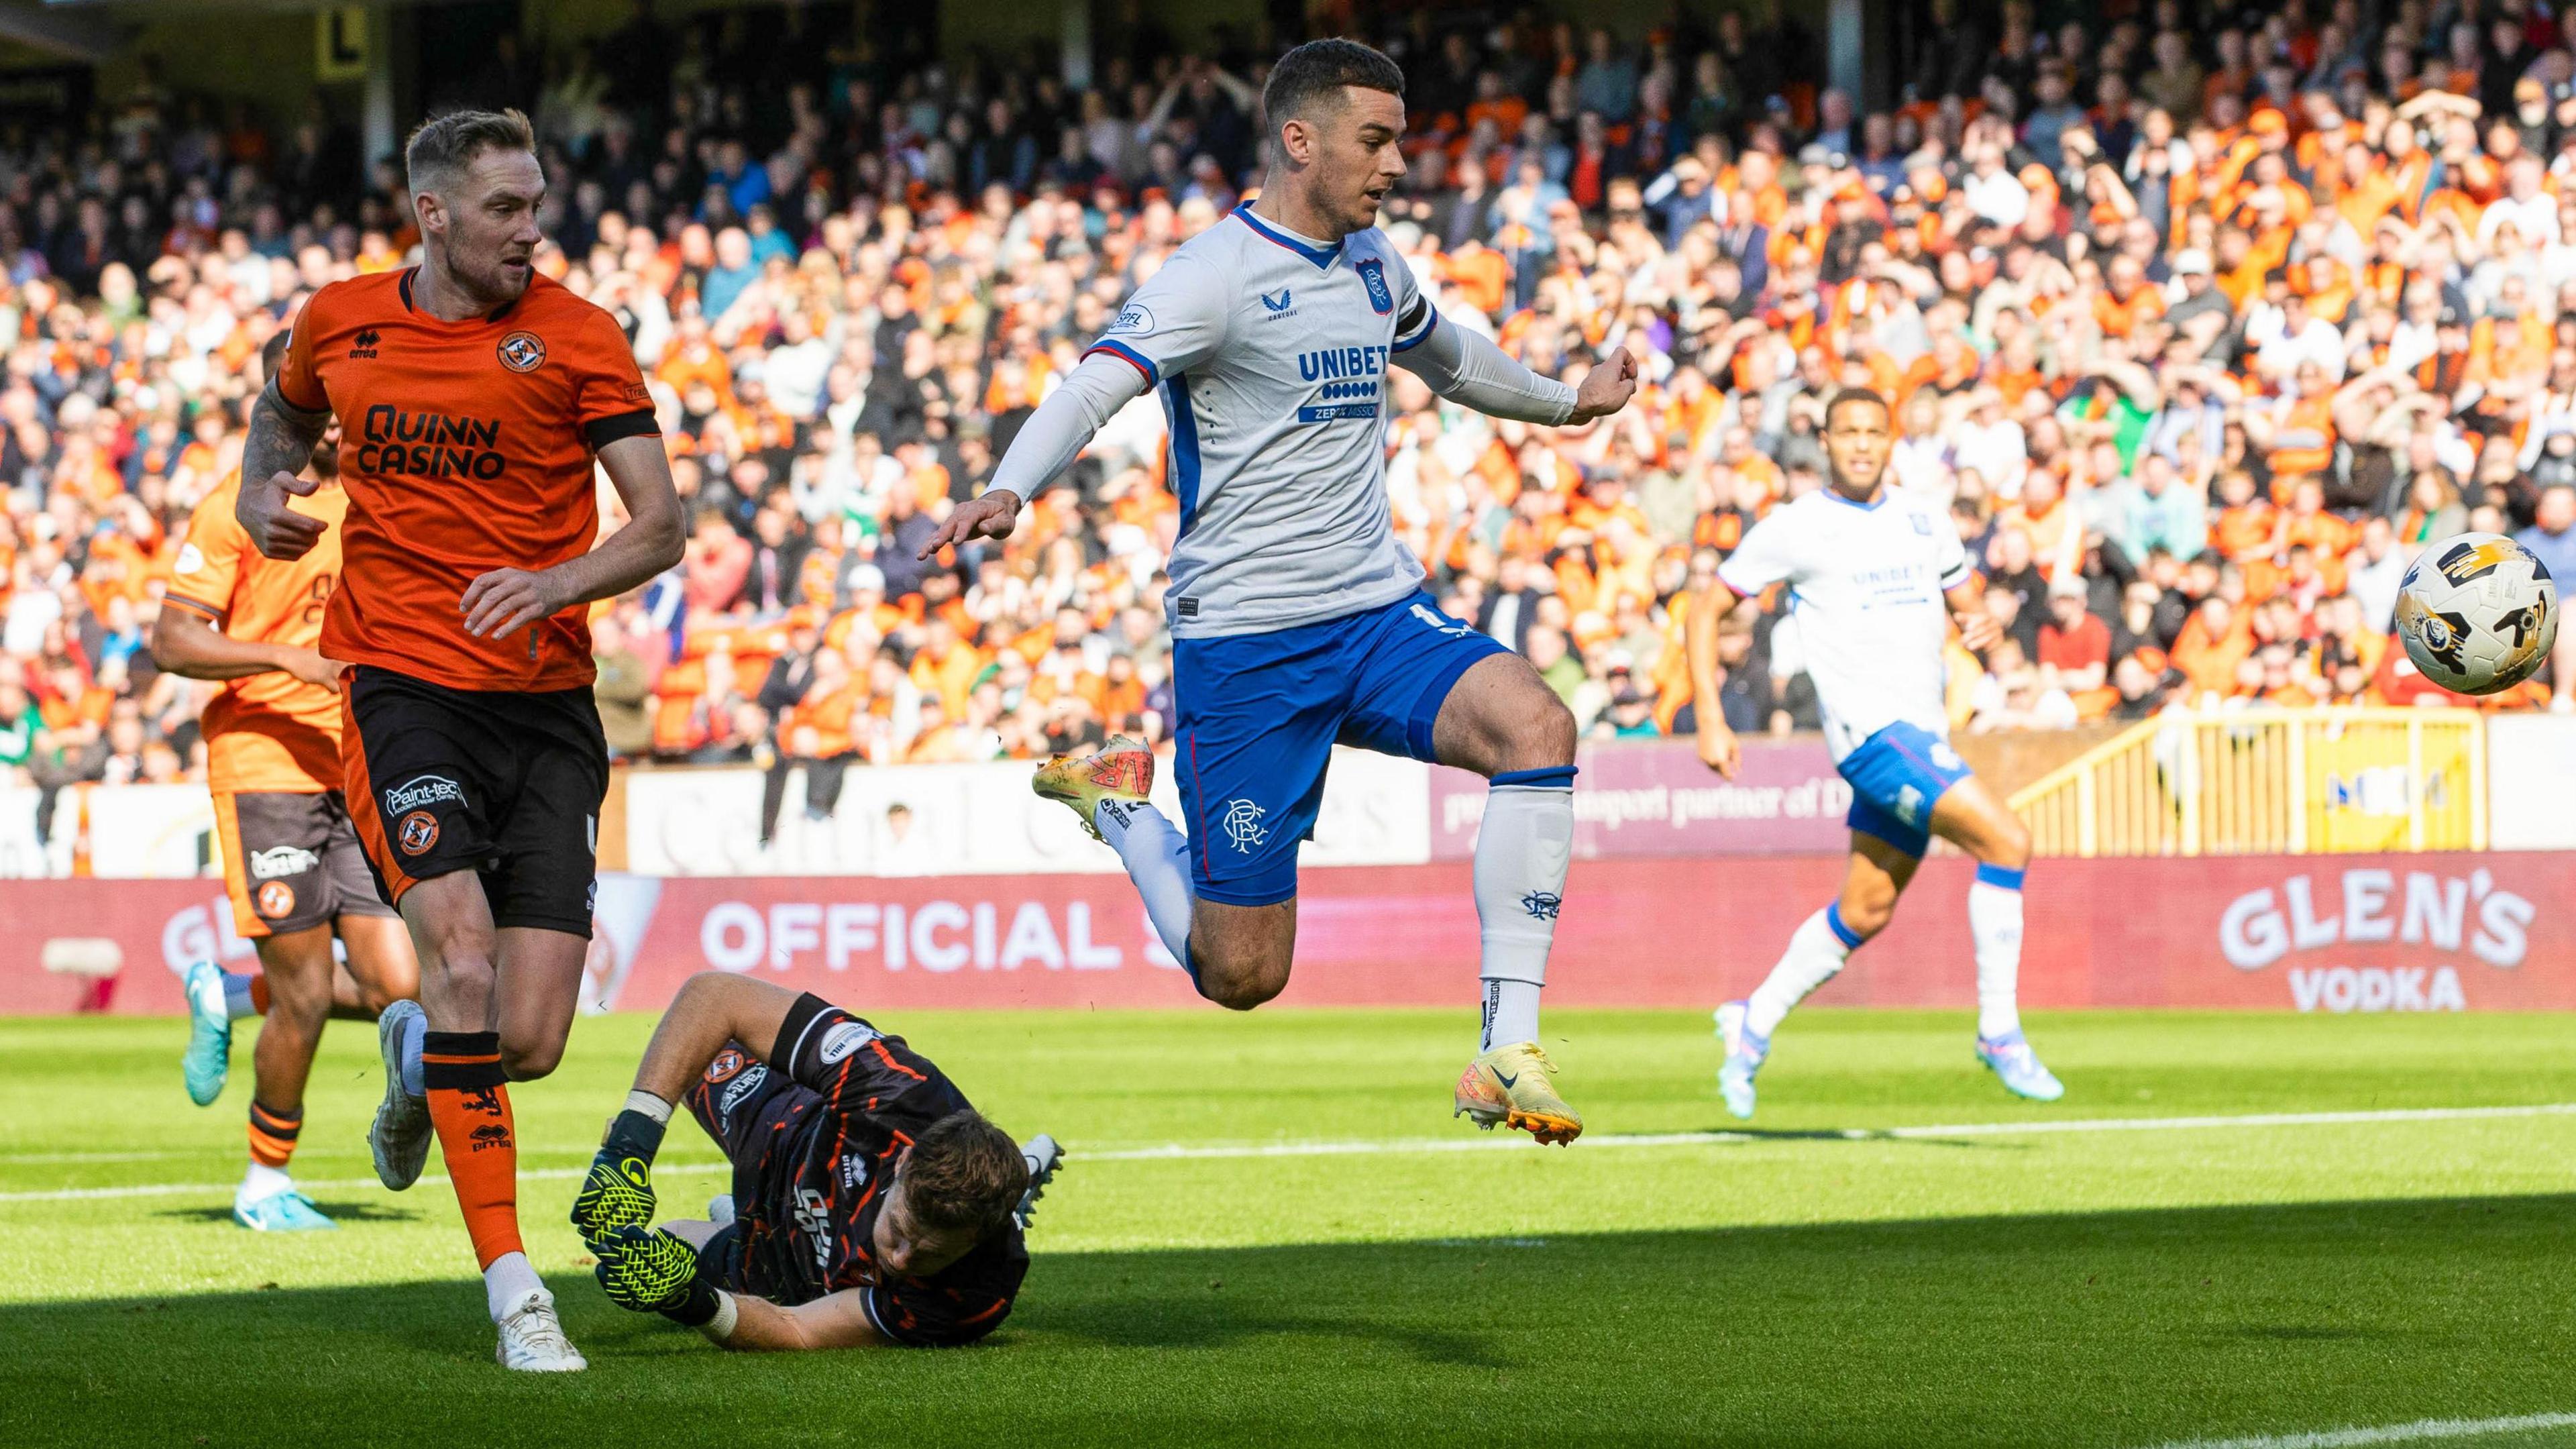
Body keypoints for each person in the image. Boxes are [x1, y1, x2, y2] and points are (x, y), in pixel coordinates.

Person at [923, 40, 1639, 1145]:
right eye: (1377, 140)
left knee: (1537, 722)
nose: (1396, 165)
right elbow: (1093, 386)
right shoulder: (1211, 275)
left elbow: (1452, 361)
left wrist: (1568, 405)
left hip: (1374, 615)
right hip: (1250, 649)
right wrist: (1008, 488)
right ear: (1300, 141)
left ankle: (1505, 1047)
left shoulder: (1374, 265)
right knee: (1242, 972)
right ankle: (1119, 807)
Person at [235, 108, 685, 1370]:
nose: (530, 229)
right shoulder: (339, 321)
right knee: (467, 958)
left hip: (546, 704)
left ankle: (415, 1049)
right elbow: (277, 410)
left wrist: (556, 582)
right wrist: (258, 495)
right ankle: (515, 1293)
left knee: (525, 1039)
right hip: (402, 686)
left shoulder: (583, 337)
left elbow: (660, 527)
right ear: (432, 214)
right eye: (503, 209)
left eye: (535, 203)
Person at [1685, 390, 2063, 1119]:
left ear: (1892, 441)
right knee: (2008, 841)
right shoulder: (1795, 528)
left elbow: (1967, 602)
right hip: (1874, 740)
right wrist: (1710, 714)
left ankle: (1751, 1022)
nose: (1861, 444)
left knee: (1865, 909)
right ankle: (1998, 1031)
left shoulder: (1926, 518)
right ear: (1825, 441)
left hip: (1922, 737)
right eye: (1847, 432)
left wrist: (1983, 622)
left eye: (1873, 432)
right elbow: (1708, 607)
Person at [156, 327, 421, 1233]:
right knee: (307, 989)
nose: (348, 412)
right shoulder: (230, 512)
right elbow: (172, 639)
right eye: (329, 394)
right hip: (264, 762)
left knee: (406, 990)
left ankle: (231, 995)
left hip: (357, 767)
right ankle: (264, 1180)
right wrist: (285, 661)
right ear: (291, 402)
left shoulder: (378, 506)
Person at [568, 973, 1061, 1350]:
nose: (902, 1259)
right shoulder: (895, 1090)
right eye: (903, 1229)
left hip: (790, 1275)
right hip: (781, 1132)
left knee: (660, 1250)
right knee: (695, 1051)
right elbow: (714, 995)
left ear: (971, 1241)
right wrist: (628, 1149)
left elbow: (799, 1330)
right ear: (906, 1162)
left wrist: (689, 1303)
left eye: (932, 1254)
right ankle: (1011, 1188)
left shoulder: (973, 1298)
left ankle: (1006, 1203)